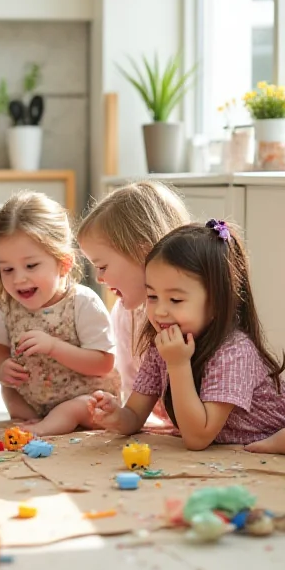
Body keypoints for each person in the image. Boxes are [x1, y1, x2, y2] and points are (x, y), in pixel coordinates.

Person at [89, 220, 285, 455]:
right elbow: (135, 415)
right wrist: (117, 416)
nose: (159, 311)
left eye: (175, 300)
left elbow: (197, 438)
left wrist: (178, 364)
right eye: (152, 296)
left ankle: (267, 445)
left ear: (217, 302)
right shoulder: (164, 344)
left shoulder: (234, 351)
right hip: (218, 435)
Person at [0, 191, 119, 436]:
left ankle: (41, 429)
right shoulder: (7, 305)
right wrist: (2, 368)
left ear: (64, 263)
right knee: (8, 391)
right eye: (7, 269)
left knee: (73, 409)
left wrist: (53, 347)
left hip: (88, 401)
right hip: (35, 397)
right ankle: (32, 421)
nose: (19, 279)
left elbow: (104, 363)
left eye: (31, 265)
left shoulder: (82, 303)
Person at [78, 181, 190, 425]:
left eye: (103, 266)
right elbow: (132, 394)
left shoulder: (190, 315)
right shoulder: (124, 314)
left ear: (144, 253)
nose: (98, 278)